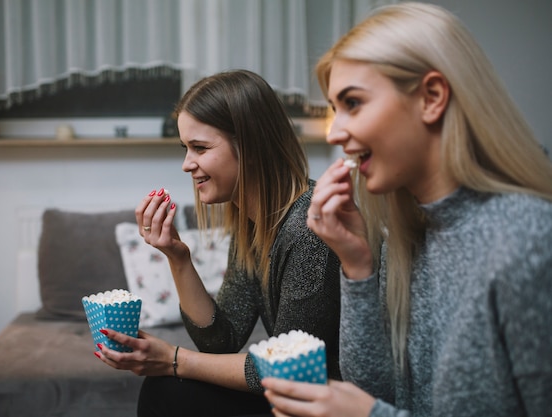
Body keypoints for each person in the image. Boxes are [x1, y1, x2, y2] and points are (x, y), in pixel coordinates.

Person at [261, 2, 552, 417]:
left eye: (353, 103)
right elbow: (381, 392)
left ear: (432, 98)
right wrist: (357, 264)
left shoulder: (530, 241)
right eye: (334, 109)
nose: (336, 132)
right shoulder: (407, 233)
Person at [95, 69, 343, 416]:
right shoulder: (253, 222)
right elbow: (220, 340)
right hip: (292, 398)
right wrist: (177, 258)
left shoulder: (310, 230)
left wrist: (173, 359)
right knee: (167, 389)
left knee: (168, 390)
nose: (186, 164)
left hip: (327, 403)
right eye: (186, 148)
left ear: (251, 146)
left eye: (200, 147)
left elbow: (285, 369)